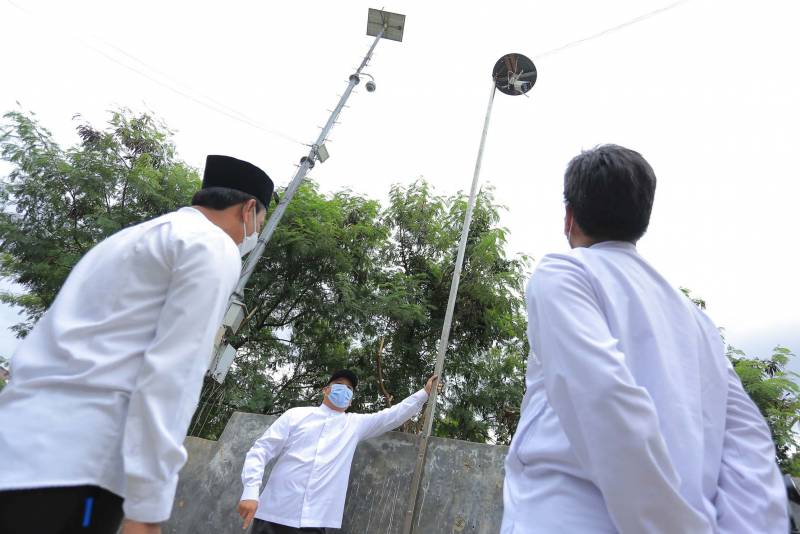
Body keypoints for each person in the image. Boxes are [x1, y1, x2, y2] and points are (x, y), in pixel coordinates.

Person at [501, 145, 788, 533]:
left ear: (569, 218)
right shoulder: (697, 321)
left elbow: (605, 399)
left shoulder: (564, 274)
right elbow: (748, 445)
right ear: (643, 217)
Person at [0, 155, 273, 534]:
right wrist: (146, 507)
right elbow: (173, 375)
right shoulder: (213, 246)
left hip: (14, 443)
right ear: (247, 209)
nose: (255, 232)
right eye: (261, 221)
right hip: (80, 467)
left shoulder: (128, 239)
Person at [237, 369, 438, 534]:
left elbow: (392, 416)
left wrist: (424, 393)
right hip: (273, 514)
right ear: (326, 390)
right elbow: (261, 450)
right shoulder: (296, 415)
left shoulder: (354, 425)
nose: (345, 390)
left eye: (349, 388)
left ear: (350, 401)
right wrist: (250, 492)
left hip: (314, 522)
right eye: (339, 384)